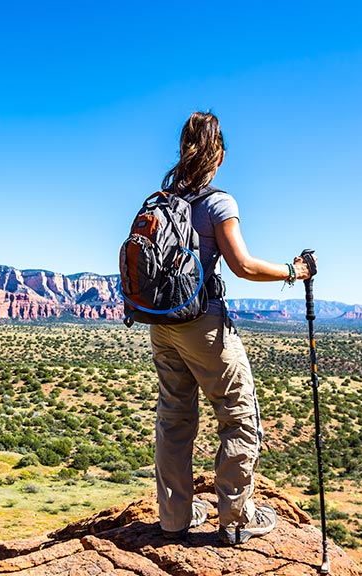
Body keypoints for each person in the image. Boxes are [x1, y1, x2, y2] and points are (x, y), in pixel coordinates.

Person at [151, 111, 315, 545]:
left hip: (161, 324)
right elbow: (241, 265)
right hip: (203, 324)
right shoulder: (218, 202)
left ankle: (174, 517)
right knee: (239, 417)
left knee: (174, 419)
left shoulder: (163, 200)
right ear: (218, 154)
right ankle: (236, 519)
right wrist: (292, 271)